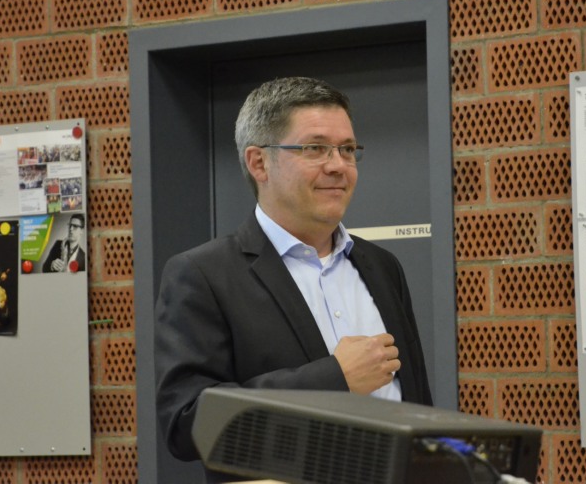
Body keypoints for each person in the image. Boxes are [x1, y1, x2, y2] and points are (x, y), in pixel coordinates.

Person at [155, 77, 432, 466]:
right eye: (315, 148)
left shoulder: (382, 267)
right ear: (259, 163)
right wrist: (334, 379)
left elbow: (417, 405)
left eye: (347, 149)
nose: (338, 166)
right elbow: (185, 425)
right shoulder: (203, 275)